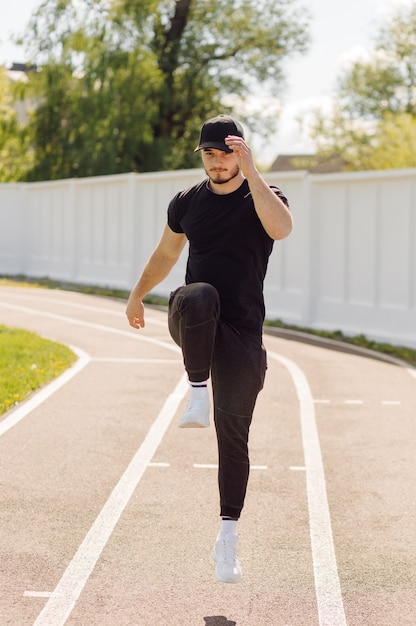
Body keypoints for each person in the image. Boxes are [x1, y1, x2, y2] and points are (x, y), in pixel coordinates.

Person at [126, 114, 292, 583]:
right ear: (202, 155)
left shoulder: (264, 197)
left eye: (226, 154)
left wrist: (254, 172)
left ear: (240, 153)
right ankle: (196, 388)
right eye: (210, 155)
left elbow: (280, 229)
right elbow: (165, 255)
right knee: (201, 293)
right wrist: (137, 294)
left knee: (233, 436)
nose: (217, 163)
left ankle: (227, 537)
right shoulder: (186, 203)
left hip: (242, 333)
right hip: (194, 320)